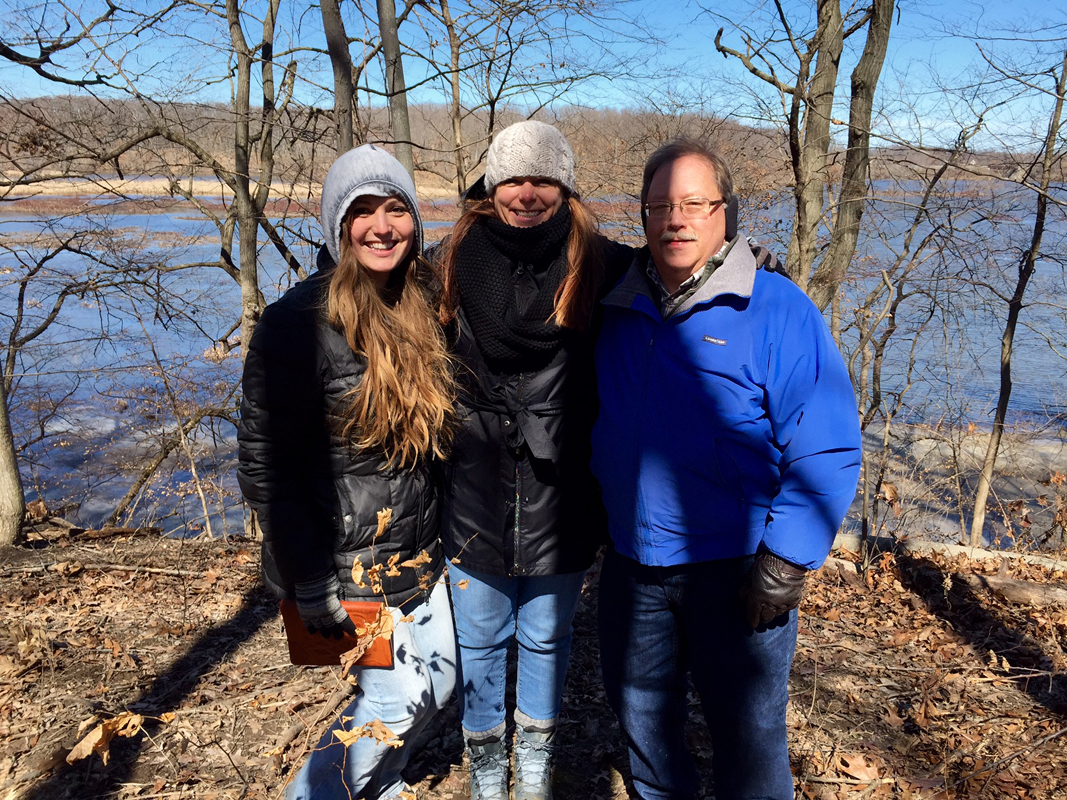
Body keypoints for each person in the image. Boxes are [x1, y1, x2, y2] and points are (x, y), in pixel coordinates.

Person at [590, 138, 863, 800]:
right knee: (645, 731)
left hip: (736, 569)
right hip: (633, 564)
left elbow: (825, 445)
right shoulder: (618, 303)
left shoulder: (774, 308)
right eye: (658, 206)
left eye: (693, 204)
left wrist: (784, 562)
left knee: (747, 741)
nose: (674, 220)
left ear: (725, 212)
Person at [237, 143, 458, 800]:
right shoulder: (294, 326)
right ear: (338, 225)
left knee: (437, 686)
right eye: (362, 211)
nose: (381, 225)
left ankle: (377, 787)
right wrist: (309, 581)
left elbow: (508, 237)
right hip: (344, 569)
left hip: (417, 553)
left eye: (396, 208)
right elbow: (265, 469)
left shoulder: (420, 299)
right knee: (392, 706)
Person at [433, 120, 631, 800]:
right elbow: (367, 303)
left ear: (564, 188)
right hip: (473, 490)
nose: (527, 191)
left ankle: (535, 774)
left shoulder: (602, 263)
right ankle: (488, 776)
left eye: (542, 178)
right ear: (490, 187)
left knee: (547, 640)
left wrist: (744, 259)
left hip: (562, 494)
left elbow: (681, 277)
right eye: (514, 177)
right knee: (481, 641)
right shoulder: (447, 262)